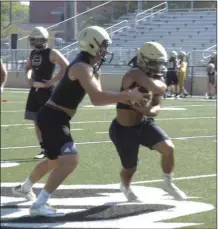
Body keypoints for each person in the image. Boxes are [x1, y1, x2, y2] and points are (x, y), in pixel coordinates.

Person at [12, 25, 144, 217]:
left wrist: (126, 96)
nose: (105, 50)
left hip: (55, 117)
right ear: (92, 44)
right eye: (103, 46)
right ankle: (39, 204)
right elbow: (97, 98)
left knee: (53, 161)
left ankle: (24, 188)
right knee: (70, 161)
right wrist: (126, 95)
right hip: (53, 117)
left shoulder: (87, 66)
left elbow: (100, 95)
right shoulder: (82, 67)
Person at [109, 41, 187, 202]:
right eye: (154, 63)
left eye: (160, 63)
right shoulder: (134, 73)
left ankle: (167, 182)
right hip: (124, 128)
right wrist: (161, 86)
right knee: (130, 167)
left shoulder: (156, 77)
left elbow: (157, 107)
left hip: (143, 123)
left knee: (169, 148)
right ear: (143, 60)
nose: (159, 67)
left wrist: (147, 111)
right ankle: (125, 186)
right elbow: (158, 88)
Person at [24, 26, 69, 159]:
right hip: (34, 92)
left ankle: (56, 147)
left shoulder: (52, 52)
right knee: (37, 121)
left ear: (45, 39)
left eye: (40, 40)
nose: (37, 42)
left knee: (48, 121)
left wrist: (53, 81)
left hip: (48, 91)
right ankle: (44, 149)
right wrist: (28, 79)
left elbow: (66, 66)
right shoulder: (33, 53)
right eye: (35, 40)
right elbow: (28, 68)